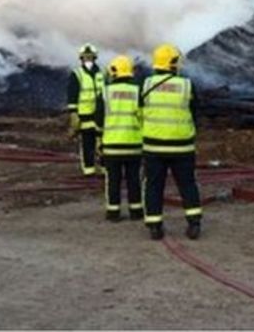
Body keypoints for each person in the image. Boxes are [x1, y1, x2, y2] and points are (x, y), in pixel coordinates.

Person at [141, 44, 202, 240]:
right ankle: (194, 224)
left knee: (153, 186)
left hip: (153, 146)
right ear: (173, 63)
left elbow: (139, 112)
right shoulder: (186, 85)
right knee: (187, 184)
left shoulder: (146, 85)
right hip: (182, 146)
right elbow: (196, 112)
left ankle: (154, 227)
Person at [98, 55, 143, 222]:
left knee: (113, 181)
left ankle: (113, 212)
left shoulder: (105, 92)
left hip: (111, 145)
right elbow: (143, 116)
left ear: (113, 72)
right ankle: (136, 211)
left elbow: (98, 119)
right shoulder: (138, 91)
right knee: (134, 179)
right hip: (134, 144)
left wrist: (100, 139)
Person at [66, 43, 104, 176]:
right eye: (85, 57)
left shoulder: (102, 74)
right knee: (88, 143)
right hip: (85, 115)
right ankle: (89, 169)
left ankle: (104, 168)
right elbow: (72, 95)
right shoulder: (77, 74)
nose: (88, 60)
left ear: (95, 58)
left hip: (101, 115)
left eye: (90, 57)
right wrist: (73, 114)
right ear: (81, 59)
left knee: (103, 143)